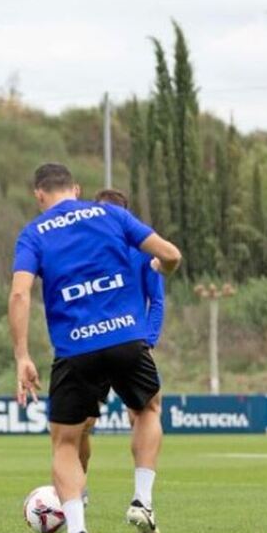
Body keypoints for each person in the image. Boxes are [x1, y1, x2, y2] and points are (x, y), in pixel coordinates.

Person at [8, 163, 181, 533]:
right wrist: (164, 269)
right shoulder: (112, 214)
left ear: (38, 195)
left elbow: (20, 295)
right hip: (126, 339)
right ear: (77, 189)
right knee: (148, 408)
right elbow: (169, 255)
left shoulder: (33, 232)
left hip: (75, 350)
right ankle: (142, 499)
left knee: (65, 442)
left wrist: (22, 355)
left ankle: (77, 532)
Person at [77, 188, 167, 502]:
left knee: (143, 412)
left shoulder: (143, 250)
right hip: (90, 341)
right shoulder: (81, 249)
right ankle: (79, 488)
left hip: (129, 342)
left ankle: (142, 499)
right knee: (81, 425)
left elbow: (156, 300)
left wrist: (149, 340)